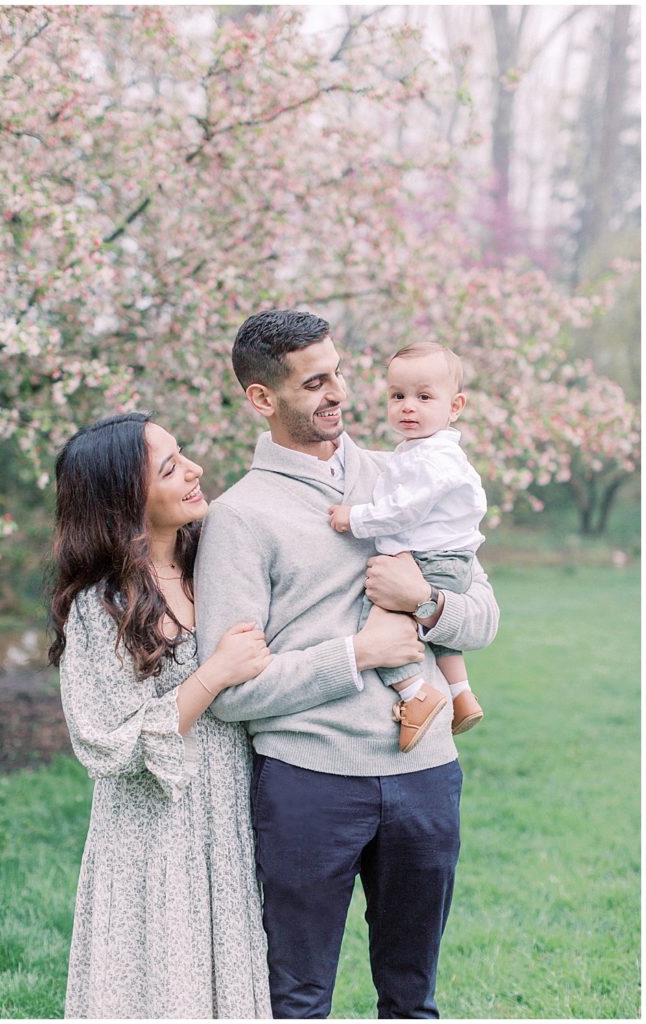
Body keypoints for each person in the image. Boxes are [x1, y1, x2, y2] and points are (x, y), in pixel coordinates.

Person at [194, 309, 500, 1019]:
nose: (339, 394)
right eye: (315, 383)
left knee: (412, 996)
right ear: (262, 399)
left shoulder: (410, 475)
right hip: (309, 784)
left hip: (425, 774)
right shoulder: (240, 518)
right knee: (297, 1000)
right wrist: (357, 655)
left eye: (339, 374)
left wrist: (425, 604)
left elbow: (481, 618)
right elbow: (231, 695)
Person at [47, 412, 273, 1019]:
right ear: (125, 501)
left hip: (229, 816)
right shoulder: (100, 606)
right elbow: (105, 745)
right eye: (169, 468)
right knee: (164, 986)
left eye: (183, 455)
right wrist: (213, 673)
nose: (195, 470)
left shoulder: (216, 565)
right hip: (152, 833)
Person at [328, 340, 487, 752]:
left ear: (455, 407)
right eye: (398, 396)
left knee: (376, 621)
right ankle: (461, 692)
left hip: (431, 560)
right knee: (439, 633)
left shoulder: (429, 460)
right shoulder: (425, 453)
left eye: (424, 396)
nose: (407, 407)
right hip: (450, 559)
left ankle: (416, 693)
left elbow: (402, 511)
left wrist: (355, 517)